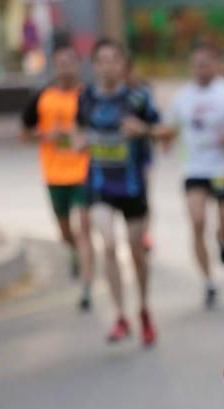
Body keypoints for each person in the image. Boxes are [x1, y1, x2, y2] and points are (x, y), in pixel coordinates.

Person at [76, 38, 161, 345]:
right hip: (99, 184)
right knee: (109, 246)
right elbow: (79, 130)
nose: (108, 65)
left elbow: (166, 131)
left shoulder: (138, 99)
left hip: (132, 186)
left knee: (136, 253)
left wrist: (145, 130)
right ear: (95, 65)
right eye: (102, 60)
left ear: (123, 65)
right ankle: (120, 315)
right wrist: (79, 141)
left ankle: (143, 309)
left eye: (114, 59)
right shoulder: (86, 98)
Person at [158, 44, 224, 308]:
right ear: (191, 66)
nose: (202, 68)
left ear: (214, 64)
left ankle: (223, 240)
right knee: (197, 219)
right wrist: (165, 138)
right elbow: (171, 126)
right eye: (197, 64)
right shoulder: (182, 97)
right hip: (195, 168)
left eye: (206, 63)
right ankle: (207, 281)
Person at [20, 44, 94, 310]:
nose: (66, 68)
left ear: (77, 64)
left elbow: (98, 130)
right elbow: (24, 133)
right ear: (54, 65)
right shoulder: (42, 96)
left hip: (84, 172)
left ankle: (86, 286)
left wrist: (82, 139)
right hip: (54, 174)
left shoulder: (88, 96)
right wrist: (45, 136)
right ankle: (74, 251)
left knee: (85, 229)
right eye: (60, 63)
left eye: (70, 62)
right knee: (65, 232)